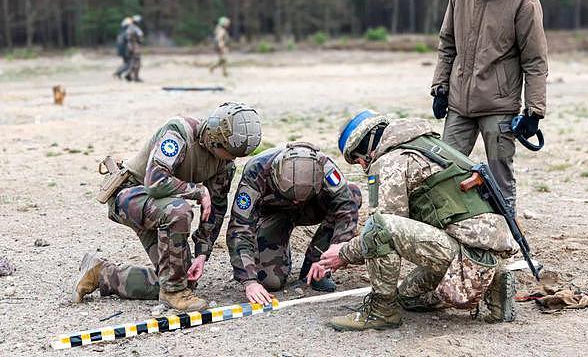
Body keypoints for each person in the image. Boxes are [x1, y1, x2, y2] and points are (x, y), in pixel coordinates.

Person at [317, 110, 519, 331]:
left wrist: (344, 252)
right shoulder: (428, 145)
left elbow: (382, 227)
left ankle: (381, 312)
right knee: (408, 298)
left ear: (365, 149)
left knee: (379, 228)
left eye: (358, 161)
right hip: (488, 247)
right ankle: (493, 281)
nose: (363, 167)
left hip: (464, 250)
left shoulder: (389, 161)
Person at [72, 102, 262, 311]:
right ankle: (173, 293)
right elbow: (155, 181)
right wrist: (198, 191)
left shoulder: (225, 163)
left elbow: (215, 209)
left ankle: (101, 274)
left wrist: (202, 253)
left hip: (159, 207)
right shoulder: (179, 132)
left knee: (182, 277)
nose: (230, 159)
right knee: (179, 211)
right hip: (129, 196)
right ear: (214, 137)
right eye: (227, 153)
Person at [430, 0, 548, 208]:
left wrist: (534, 111)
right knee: (444, 168)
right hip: (459, 104)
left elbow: (535, 61)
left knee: (499, 175)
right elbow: (447, 44)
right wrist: (440, 87)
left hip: (498, 106)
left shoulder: (524, 0)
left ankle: (505, 228)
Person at [226, 142, 362, 305]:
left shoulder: (324, 167)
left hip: (310, 208)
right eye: (292, 197)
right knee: (270, 282)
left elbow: (347, 207)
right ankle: (279, 244)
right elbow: (239, 228)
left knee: (352, 194)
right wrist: (249, 281)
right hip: (274, 215)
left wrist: (338, 247)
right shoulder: (257, 171)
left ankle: (316, 263)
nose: (295, 201)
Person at [125, 15, 145, 82]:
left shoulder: (129, 28)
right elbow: (140, 38)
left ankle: (129, 74)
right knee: (137, 62)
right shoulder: (136, 29)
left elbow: (127, 38)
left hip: (129, 46)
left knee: (133, 61)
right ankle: (135, 77)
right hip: (135, 46)